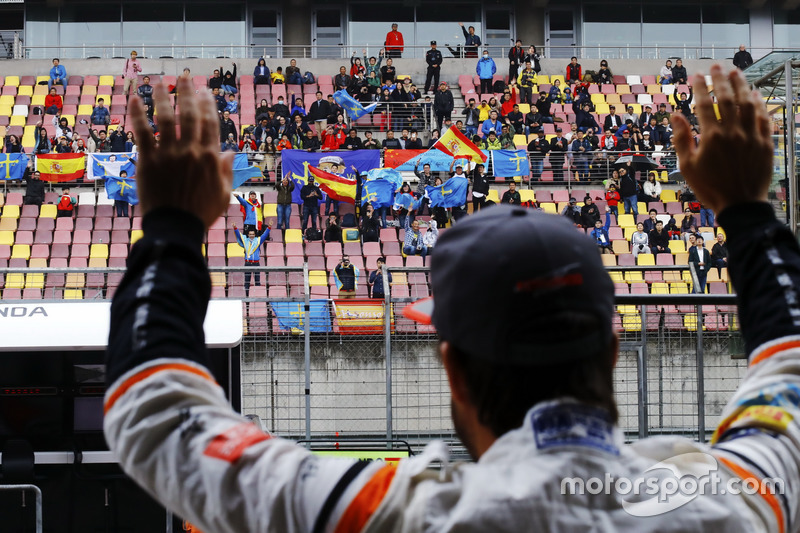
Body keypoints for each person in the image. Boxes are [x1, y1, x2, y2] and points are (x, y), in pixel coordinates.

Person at [105, 67, 800, 532]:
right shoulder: (726, 502)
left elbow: (156, 420)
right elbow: (789, 377)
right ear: (614, 348)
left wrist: (171, 223)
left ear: (454, 370)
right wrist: (748, 211)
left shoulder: (402, 513)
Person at [233, 224, 270, 295]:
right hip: (247, 264)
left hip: (256, 264)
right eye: (250, 234)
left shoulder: (258, 241)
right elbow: (238, 235)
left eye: (253, 234)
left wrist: (269, 227)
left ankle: (258, 297)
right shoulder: (245, 241)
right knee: (247, 282)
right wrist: (235, 227)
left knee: (257, 282)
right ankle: (247, 298)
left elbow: (265, 235)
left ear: (255, 234)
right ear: (248, 234)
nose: (251, 235)